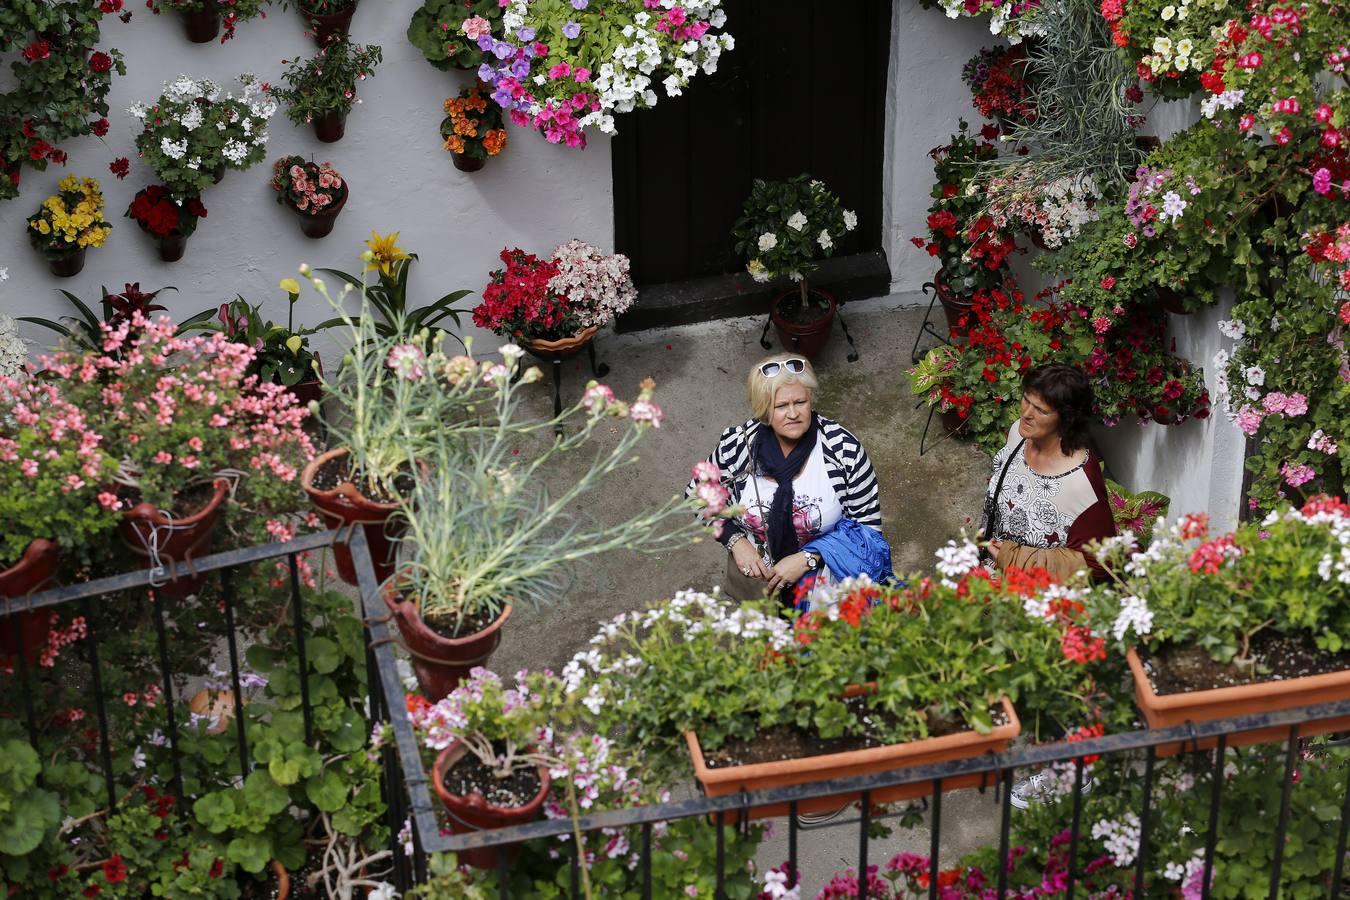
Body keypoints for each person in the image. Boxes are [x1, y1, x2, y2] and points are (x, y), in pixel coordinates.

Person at [686, 353, 890, 605]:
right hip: (760, 582)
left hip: (827, 584)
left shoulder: (843, 450)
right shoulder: (739, 446)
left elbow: (868, 529)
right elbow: (697, 494)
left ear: (811, 400)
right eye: (781, 406)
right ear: (763, 408)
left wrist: (809, 557)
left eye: (800, 402)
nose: (793, 413)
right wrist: (736, 542)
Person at [983, 363, 1117, 584]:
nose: (1026, 414)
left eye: (1041, 410)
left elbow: (1101, 563)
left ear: (1066, 419)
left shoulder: (1080, 483)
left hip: (1033, 595)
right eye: (1026, 399)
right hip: (991, 566)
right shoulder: (1019, 433)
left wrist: (1016, 558)